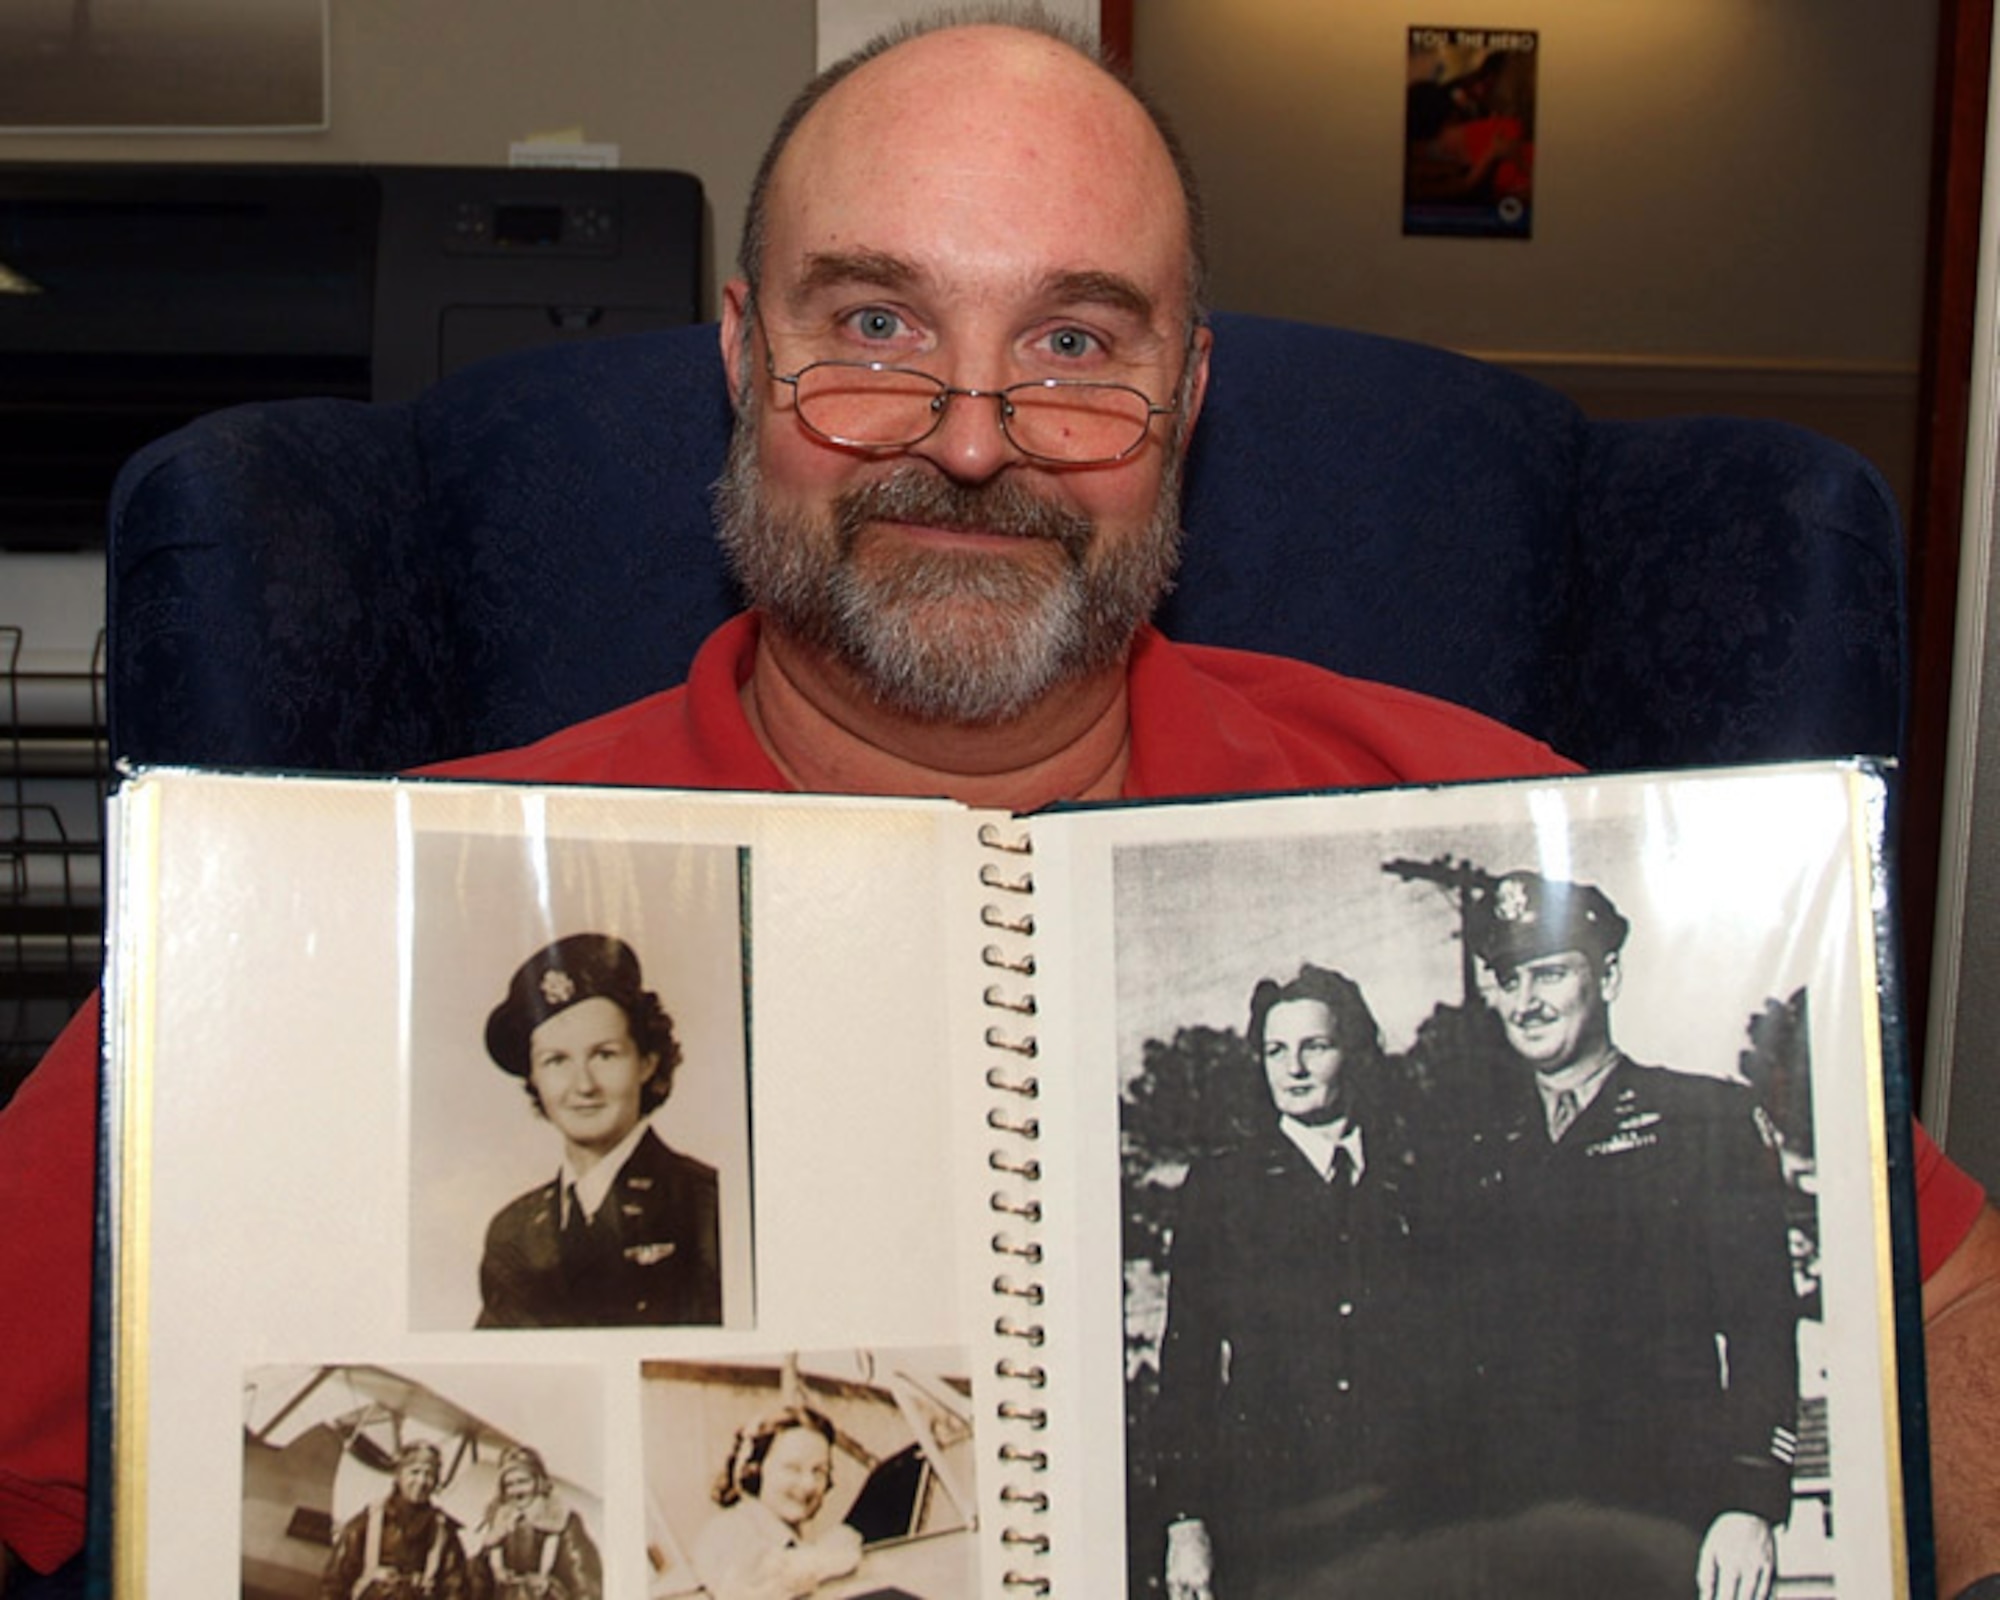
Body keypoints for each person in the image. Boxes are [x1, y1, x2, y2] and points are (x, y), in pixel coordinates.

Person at [1, 13, 1996, 1595]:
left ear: (1184, 398)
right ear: (741, 356)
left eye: (1072, 344)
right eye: (872, 325)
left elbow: (1941, 1347)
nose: (970, 441)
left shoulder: (1486, 822)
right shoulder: (383, 903)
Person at [1461, 871, 1798, 1600]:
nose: (1526, 1001)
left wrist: (1751, 1501)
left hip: (1662, 1518)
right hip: (1505, 1531)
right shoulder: (1469, 1148)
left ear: (1608, 976)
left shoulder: (1703, 1121)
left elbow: (1761, 1327)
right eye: (1508, 979)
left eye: (1549, 973)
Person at [1154, 965, 1461, 1599]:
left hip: (1408, 1516)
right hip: (1270, 1519)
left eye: (1314, 1047)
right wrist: (1185, 1521)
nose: (1291, 1068)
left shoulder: (1420, 1177)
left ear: (1354, 1051)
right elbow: (1187, 1365)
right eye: (1274, 1050)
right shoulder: (1222, 1189)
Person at [475, 933, 722, 1329]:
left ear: (646, 1062)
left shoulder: (711, 1210)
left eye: (604, 1055)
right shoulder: (513, 1234)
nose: (584, 1085)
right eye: (556, 1061)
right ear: (534, 1079)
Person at [688, 1406, 863, 1600]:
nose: (808, 1485)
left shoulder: (789, 1543)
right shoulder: (727, 1530)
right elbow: (753, 1589)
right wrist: (833, 1553)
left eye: (819, 1471)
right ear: (755, 1470)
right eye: (792, 1468)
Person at [319, 1441, 471, 1600]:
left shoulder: (443, 1531)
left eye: (429, 1474)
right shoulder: (370, 1520)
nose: (421, 1481)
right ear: (399, 1475)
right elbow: (335, 1581)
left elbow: (456, 1586)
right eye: (414, 1472)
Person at [466, 1445, 601, 1600]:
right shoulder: (500, 1524)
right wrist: (486, 1551)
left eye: (523, 1482)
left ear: (538, 1482)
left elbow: (585, 1582)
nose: (517, 1491)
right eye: (510, 1484)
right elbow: (477, 1588)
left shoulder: (563, 1522)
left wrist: (549, 1587)